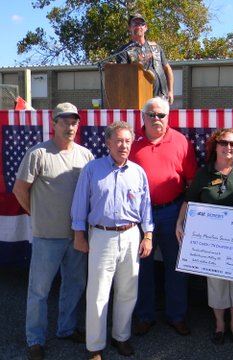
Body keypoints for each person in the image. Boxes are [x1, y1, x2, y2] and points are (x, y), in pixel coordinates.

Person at [12, 103, 94, 360]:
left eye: (74, 122)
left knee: (74, 285)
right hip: (47, 236)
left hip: (77, 235)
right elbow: (20, 190)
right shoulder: (38, 153)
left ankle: (66, 329)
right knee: (39, 291)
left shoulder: (86, 155)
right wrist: (35, 214)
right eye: (65, 121)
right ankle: (35, 339)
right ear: (54, 122)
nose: (70, 126)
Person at [71, 121, 153, 360]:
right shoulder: (92, 169)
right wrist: (79, 234)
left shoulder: (138, 172)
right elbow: (79, 204)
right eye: (118, 140)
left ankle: (121, 337)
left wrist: (147, 235)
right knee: (98, 293)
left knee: (128, 291)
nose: (123, 145)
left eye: (127, 141)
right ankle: (95, 346)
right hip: (101, 235)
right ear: (107, 143)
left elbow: (146, 207)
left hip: (131, 235)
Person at [176, 128, 233, 344]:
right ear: (215, 145)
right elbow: (189, 200)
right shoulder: (204, 173)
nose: (228, 147)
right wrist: (179, 222)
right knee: (216, 283)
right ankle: (220, 325)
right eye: (224, 143)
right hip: (213, 243)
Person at [129, 97, 197, 336]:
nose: (156, 119)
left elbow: (191, 181)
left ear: (169, 117)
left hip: (172, 212)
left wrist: (183, 214)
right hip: (139, 215)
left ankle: (176, 315)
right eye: (152, 114)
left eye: (161, 115)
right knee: (142, 267)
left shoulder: (180, 141)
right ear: (143, 117)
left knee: (177, 266)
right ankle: (144, 316)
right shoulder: (131, 143)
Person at [116, 13, 174, 103]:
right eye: (135, 24)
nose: (139, 26)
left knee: (161, 117)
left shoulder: (156, 47)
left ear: (146, 27)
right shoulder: (124, 50)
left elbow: (167, 69)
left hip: (161, 97)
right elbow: (122, 77)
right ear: (129, 28)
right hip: (138, 99)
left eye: (141, 24)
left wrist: (170, 91)